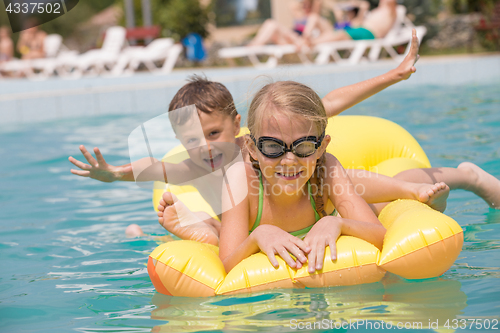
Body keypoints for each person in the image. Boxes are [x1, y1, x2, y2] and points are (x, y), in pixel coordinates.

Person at [304, 0, 397, 46]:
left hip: (369, 33)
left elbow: (390, 3)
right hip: (361, 30)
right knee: (337, 33)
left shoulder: (391, 11)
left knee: (341, 34)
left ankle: (313, 42)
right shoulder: (377, 11)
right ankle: (308, 41)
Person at [247, 0, 321, 47]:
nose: (305, 7)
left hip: (299, 41)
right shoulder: (300, 16)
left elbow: (306, 36)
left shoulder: (313, 17)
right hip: (291, 39)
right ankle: (255, 44)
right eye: (303, 5)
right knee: (269, 23)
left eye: (307, 5)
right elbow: (292, 5)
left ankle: (254, 45)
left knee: (273, 24)